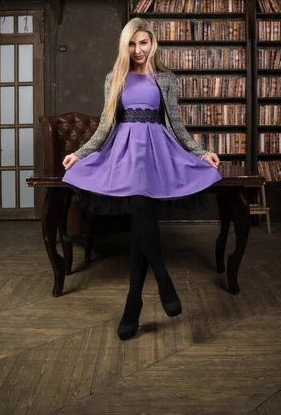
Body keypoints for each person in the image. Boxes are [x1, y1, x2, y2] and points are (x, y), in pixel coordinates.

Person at [62, 17, 222, 340]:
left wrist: (201, 152)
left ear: (152, 43)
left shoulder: (165, 80)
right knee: (140, 209)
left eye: (143, 43)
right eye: (132, 44)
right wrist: (79, 154)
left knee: (141, 220)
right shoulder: (115, 77)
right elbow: (105, 127)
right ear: (125, 46)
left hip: (155, 156)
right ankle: (163, 280)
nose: (138, 50)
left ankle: (132, 306)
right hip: (124, 157)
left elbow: (176, 126)